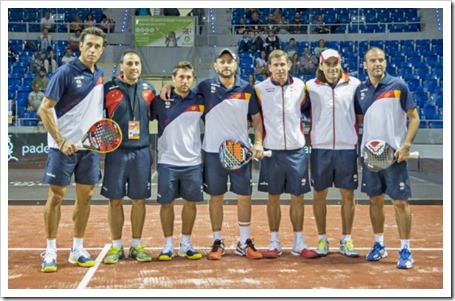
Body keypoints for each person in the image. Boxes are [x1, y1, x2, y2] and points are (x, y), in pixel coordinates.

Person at [160, 48, 264, 260]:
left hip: (240, 152)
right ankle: (217, 241)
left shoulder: (247, 88)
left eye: (229, 61)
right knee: (216, 197)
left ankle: (244, 242)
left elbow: (257, 119)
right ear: (215, 65)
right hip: (212, 152)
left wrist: (259, 142)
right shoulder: (205, 87)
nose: (226, 65)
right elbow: (184, 89)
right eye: (222, 61)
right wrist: (168, 85)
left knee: (244, 197)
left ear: (236, 65)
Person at [38, 27, 107, 273]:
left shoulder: (99, 74)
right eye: (88, 44)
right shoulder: (65, 72)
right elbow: (44, 109)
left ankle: (77, 249)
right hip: (62, 148)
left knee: (86, 197)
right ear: (80, 45)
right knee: (56, 197)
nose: (92, 50)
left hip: (88, 148)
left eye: (97, 46)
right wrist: (61, 140)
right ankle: (50, 250)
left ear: (102, 49)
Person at [354, 47, 420, 269]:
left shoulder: (399, 85)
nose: (377, 64)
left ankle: (405, 249)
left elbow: (414, 117)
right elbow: (360, 119)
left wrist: (406, 145)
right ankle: (379, 244)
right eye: (372, 60)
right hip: (371, 157)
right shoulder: (360, 90)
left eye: (381, 60)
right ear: (365, 64)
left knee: (400, 202)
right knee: (375, 200)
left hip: (394, 157)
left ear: (385, 62)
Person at [255, 49, 317, 260]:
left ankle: (298, 242)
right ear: (269, 67)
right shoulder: (259, 90)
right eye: (276, 65)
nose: (280, 69)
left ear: (289, 65)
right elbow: (253, 119)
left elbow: (313, 110)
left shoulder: (301, 87)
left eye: (283, 65)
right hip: (271, 152)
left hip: (296, 151)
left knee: (298, 198)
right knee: (273, 198)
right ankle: (274, 241)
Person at [303, 49, 361, 258]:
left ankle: (346, 238)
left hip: (347, 149)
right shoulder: (310, 87)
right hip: (321, 148)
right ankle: (322, 237)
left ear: (340, 63)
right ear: (321, 66)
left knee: (348, 195)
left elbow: (360, 114)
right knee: (319, 195)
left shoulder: (354, 85)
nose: (332, 67)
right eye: (328, 64)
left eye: (335, 63)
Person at [102, 50, 156, 264]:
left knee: (139, 200)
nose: (134, 67)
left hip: (141, 152)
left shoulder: (149, 90)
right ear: (121, 66)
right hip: (116, 153)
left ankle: (136, 245)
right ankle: (116, 246)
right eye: (129, 63)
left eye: (137, 63)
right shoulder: (108, 89)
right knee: (115, 200)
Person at [152, 61, 204, 261]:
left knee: (190, 204)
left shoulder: (200, 99)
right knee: (167, 204)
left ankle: (186, 243)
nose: (184, 81)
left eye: (188, 77)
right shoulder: (159, 100)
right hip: (167, 162)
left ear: (193, 79)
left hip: (193, 163)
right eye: (180, 77)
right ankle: (167, 245)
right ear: (173, 79)